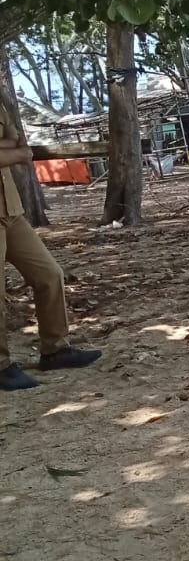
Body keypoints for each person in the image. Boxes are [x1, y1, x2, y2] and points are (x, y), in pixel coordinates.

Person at [0, 102, 101, 391]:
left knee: (49, 274)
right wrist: (17, 154)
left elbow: (17, 139)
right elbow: (20, 150)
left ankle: (55, 349)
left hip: (11, 210)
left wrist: (12, 150)